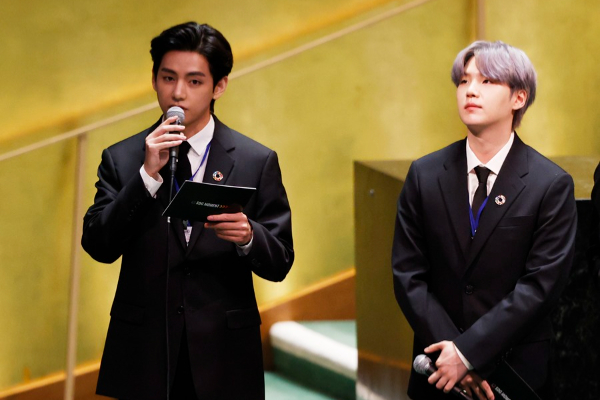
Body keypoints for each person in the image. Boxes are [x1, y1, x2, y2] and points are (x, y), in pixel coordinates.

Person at [82, 22, 294, 400]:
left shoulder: (254, 160)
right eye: (168, 78)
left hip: (224, 353)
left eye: (194, 81)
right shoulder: (123, 158)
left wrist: (248, 236)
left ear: (220, 86)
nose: (178, 93)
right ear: (153, 79)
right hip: (144, 351)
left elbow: (280, 262)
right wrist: (147, 176)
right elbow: (98, 244)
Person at [391, 40, 576, 400]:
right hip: (437, 371)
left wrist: (468, 353)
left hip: (512, 375)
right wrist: (453, 356)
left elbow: (540, 288)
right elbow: (408, 274)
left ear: (519, 98)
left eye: (487, 81)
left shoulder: (549, 184)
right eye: (464, 81)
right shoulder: (424, 175)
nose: (470, 90)